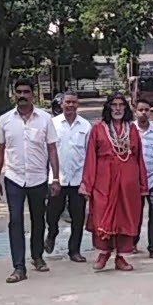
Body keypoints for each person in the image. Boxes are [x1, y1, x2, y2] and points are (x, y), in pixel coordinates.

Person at [0, 79, 62, 284]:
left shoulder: (44, 119)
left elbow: (52, 149)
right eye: (19, 92)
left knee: (38, 218)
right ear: (14, 94)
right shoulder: (5, 120)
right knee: (15, 220)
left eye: (26, 92)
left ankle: (37, 256)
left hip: (38, 178)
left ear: (33, 94)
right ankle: (19, 267)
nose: (22, 95)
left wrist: (56, 178)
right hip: (13, 178)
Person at [80, 93, 149, 271]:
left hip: (128, 182)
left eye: (121, 105)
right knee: (102, 214)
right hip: (104, 181)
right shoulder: (98, 129)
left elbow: (139, 157)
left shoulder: (132, 129)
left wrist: (143, 184)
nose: (118, 108)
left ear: (126, 108)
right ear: (108, 107)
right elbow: (90, 159)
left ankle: (121, 257)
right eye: (114, 105)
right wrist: (88, 185)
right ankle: (103, 253)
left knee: (126, 216)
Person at [46, 90, 91, 263]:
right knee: (52, 213)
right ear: (62, 104)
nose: (71, 105)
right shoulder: (53, 124)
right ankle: (52, 233)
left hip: (78, 179)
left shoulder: (85, 126)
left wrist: (88, 181)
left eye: (74, 102)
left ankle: (75, 251)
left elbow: (89, 155)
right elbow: (46, 152)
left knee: (78, 216)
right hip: (57, 178)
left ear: (77, 104)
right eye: (68, 102)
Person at [131, 98, 153, 259]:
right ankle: (132, 243)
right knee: (134, 214)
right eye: (141, 110)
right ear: (135, 111)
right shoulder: (129, 131)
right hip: (134, 181)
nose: (144, 112)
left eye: (147, 110)